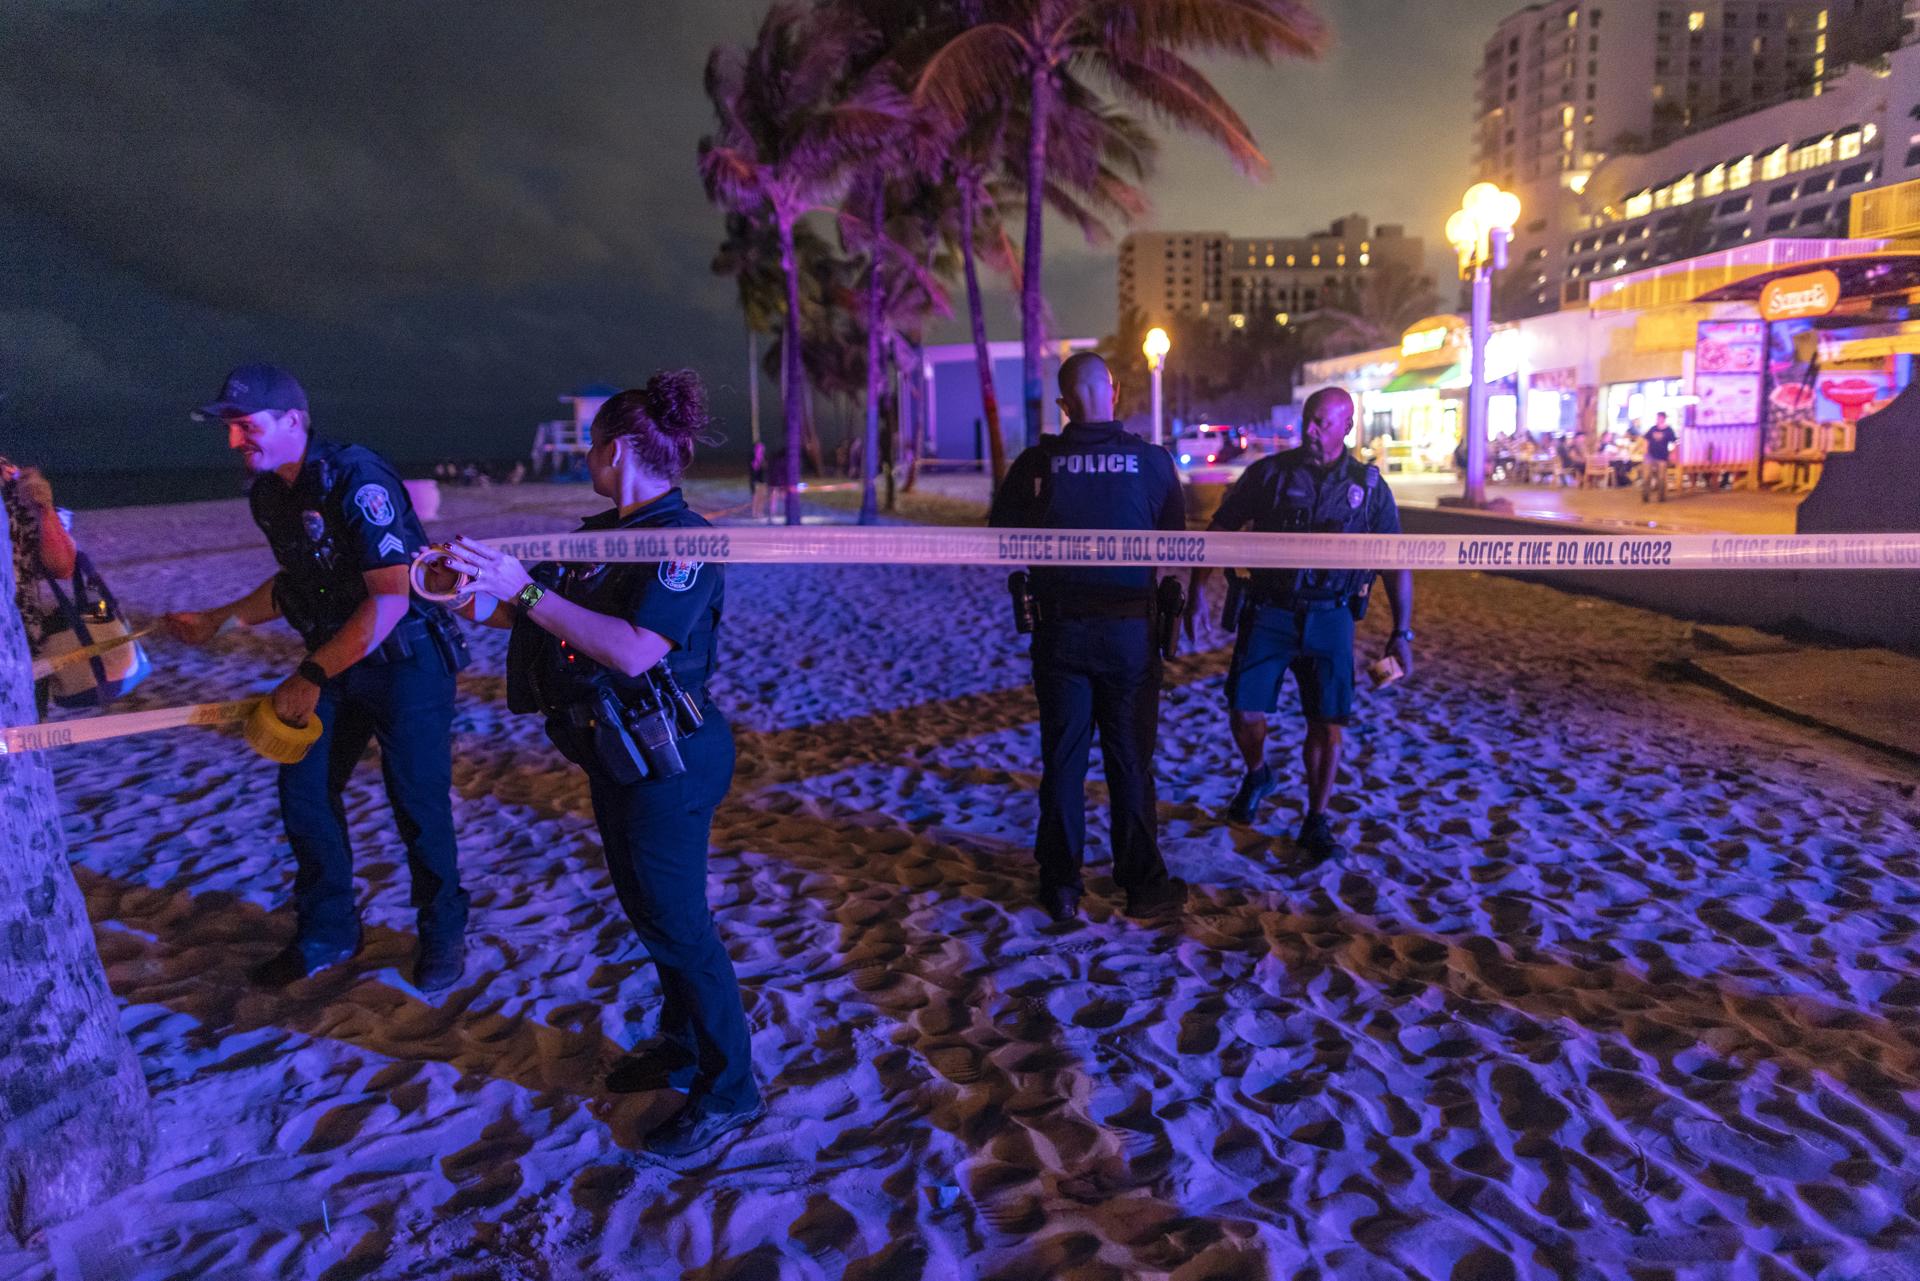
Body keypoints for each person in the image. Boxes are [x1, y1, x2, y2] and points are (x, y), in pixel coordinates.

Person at [429, 371, 761, 1160]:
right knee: (654, 917)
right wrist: (460, 583)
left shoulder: (681, 540)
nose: (587, 459)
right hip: (618, 754)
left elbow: (633, 647)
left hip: (667, 755)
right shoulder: (602, 536)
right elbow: (525, 611)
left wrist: (526, 591)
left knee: (681, 929)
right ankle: (682, 1047)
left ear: (613, 450)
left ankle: (731, 1088)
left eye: (589, 448)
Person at [161, 364, 472, 992]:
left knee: (417, 805)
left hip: (405, 662)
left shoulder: (356, 478)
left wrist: (308, 674)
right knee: (303, 794)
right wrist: (220, 619)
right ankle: (329, 930)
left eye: (245, 426)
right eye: (228, 428)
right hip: (336, 657)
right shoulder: (269, 495)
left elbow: (388, 598)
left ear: (294, 421)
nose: (233, 441)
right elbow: (298, 583)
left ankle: (443, 930)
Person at [987, 352, 1187, 923]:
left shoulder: (1037, 463)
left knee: (1064, 763)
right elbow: (1175, 548)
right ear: (1116, 392)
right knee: (1130, 764)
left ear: (1064, 405)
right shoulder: (1151, 463)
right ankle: (1143, 885)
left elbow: (1000, 537)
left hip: (1061, 633)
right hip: (1129, 634)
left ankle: (1062, 885)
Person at [1186, 388, 1413, 863]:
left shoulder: (1369, 488)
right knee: (1244, 710)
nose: (1310, 430)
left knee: (1327, 723)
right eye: (1309, 420)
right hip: (1269, 611)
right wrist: (1195, 595)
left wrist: (1402, 631)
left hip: (1331, 615)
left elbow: (1396, 561)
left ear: (1346, 427)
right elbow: (1221, 529)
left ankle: (1316, 816)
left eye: (1322, 423)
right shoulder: (1269, 474)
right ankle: (1258, 773)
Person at [1, 458, 79, 715]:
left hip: (16, 655)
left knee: (17, 747)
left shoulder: (10, 482)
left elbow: (63, 566)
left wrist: (43, 508)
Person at [1642, 411, 1678, 503]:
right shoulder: (1653, 429)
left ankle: (1661, 497)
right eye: (1657, 418)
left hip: (1662, 456)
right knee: (1647, 476)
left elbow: (1674, 442)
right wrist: (1645, 451)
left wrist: (1673, 453)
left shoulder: (1668, 430)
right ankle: (1645, 496)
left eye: (1659, 418)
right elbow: (1646, 439)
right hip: (1650, 455)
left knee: (1661, 477)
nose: (1658, 420)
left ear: (1663, 418)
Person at [748, 440, 767, 521]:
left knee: (762, 497)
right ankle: (754, 513)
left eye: (762, 448)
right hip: (755, 481)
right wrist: (757, 460)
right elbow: (753, 470)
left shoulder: (764, 458)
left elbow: (765, 470)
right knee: (755, 497)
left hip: (763, 481)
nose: (761, 450)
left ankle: (760, 512)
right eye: (759, 448)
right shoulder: (753, 459)